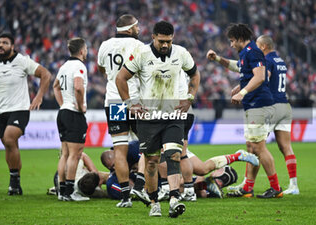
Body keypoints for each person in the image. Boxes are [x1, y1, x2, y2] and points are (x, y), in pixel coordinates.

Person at [116, 20, 200, 217]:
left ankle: (173, 199)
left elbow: (195, 75)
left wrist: (189, 98)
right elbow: (121, 78)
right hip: (148, 118)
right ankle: (154, 201)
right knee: (152, 162)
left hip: (173, 115)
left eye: (168, 41)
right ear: (153, 37)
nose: (165, 45)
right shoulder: (141, 54)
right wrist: (129, 104)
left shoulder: (181, 53)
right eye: (161, 41)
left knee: (173, 155)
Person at [206, 23, 283, 198]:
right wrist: (218, 59)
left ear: (241, 38)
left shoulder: (253, 51)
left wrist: (242, 92)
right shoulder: (246, 53)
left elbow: (260, 76)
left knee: (259, 147)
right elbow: (238, 68)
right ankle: (248, 187)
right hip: (252, 104)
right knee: (251, 147)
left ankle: (276, 187)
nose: (231, 44)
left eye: (233, 41)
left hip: (259, 104)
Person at [0, 32, 51, 195]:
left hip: (20, 109)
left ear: (12, 46)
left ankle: (13, 181)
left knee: (10, 139)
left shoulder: (22, 61)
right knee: (9, 145)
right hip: (0, 112)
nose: (0, 46)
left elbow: (46, 74)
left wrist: (39, 96)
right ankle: (15, 182)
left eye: (5, 43)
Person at [227, 35, 300, 195]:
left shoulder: (265, 60)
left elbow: (261, 77)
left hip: (271, 106)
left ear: (264, 46)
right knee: (285, 147)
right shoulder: (280, 61)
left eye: (258, 45)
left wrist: (241, 87)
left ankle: (248, 185)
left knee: (255, 146)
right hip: (285, 106)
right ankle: (293, 185)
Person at [97, 14, 144, 208]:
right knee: (148, 146)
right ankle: (140, 184)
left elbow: (102, 70)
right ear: (130, 28)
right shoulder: (139, 46)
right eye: (137, 27)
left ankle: (125, 196)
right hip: (134, 101)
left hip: (113, 102)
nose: (139, 30)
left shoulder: (104, 45)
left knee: (119, 149)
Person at [53, 37, 89, 201]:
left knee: (65, 154)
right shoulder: (79, 66)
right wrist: (80, 106)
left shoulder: (64, 67)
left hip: (63, 113)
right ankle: (69, 192)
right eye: (86, 49)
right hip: (74, 114)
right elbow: (78, 86)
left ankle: (62, 191)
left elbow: (55, 86)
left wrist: (63, 104)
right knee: (75, 154)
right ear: (82, 51)